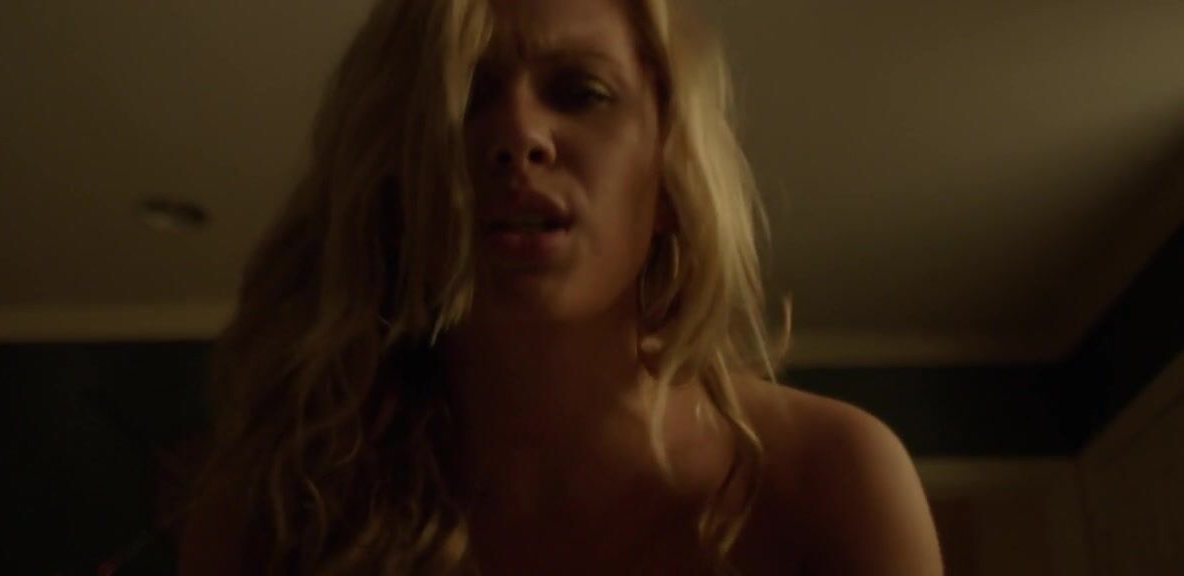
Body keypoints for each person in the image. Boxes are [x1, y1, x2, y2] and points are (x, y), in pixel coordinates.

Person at [180, 0, 943, 573]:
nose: (519, 135)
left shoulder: (829, 481)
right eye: (467, 96)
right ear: (392, 180)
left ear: (670, 173)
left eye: (582, 91)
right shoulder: (275, 510)